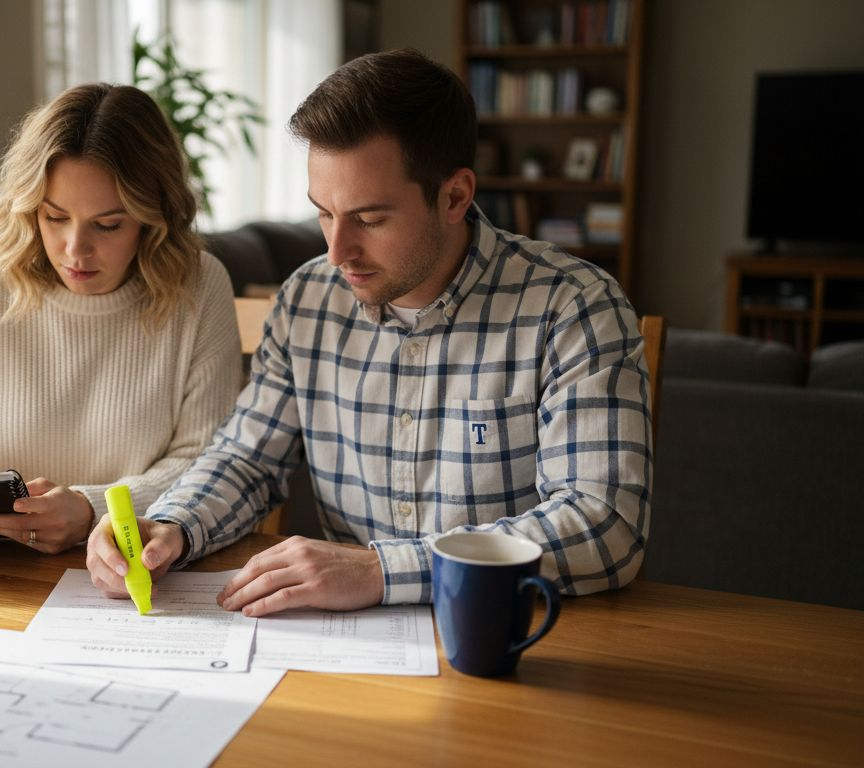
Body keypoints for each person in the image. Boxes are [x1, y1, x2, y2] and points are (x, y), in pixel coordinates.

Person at [87, 49, 651, 614]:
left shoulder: (574, 307)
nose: (337, 252)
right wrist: (173, 525)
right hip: (349, 642)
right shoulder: (307, 299)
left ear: (455, 197)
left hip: (512, 633)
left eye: (370, 219)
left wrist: (382, 570)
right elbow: (247, 458)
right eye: (323, 213)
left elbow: (604, 524)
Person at [0, 83, 241, 553]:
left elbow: (208, 465)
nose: (75, 249)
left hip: (133, 565)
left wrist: (91, 511)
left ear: (155, 218)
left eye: (108, 224)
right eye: (54, 217)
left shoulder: (199, 287)